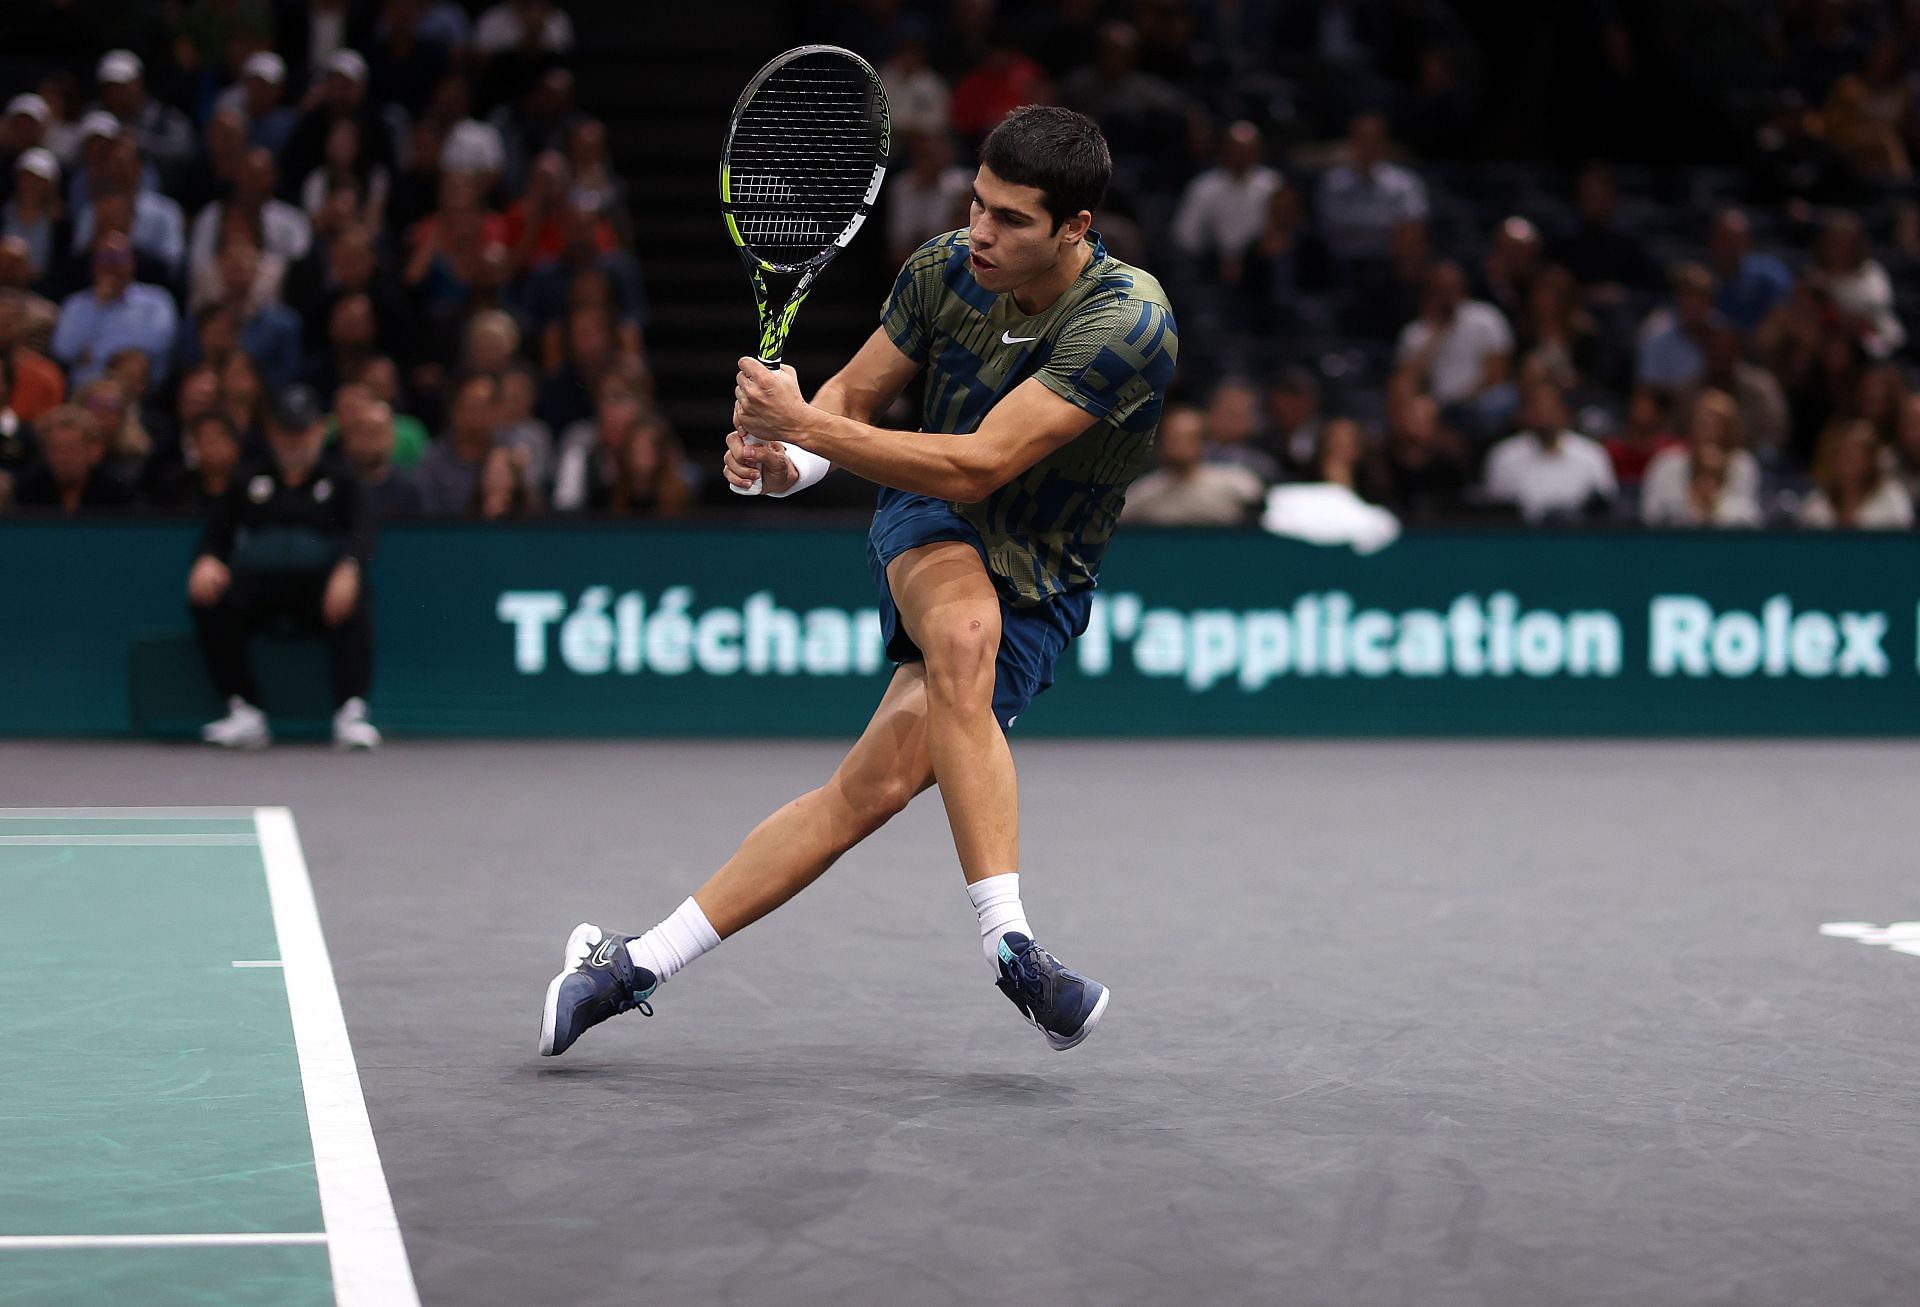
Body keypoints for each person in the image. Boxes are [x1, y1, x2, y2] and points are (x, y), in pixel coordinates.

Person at [539, 106, 1177, 1058]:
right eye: (977, 204)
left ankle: (626, 964)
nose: (981, 232)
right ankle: (1015, 950)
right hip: (931, 525)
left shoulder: (1129, 322)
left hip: (1040, 577)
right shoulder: (940, 270)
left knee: (864, 794)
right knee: (962, 634)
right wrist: (787, 463)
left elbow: (980, 461)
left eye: (1011, 219)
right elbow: (851, 401)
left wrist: (803, 428)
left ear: (1077, 229)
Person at [188, 384, 381, 751]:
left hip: (320, 593)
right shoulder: (248, 478)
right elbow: (217, 533)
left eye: (302, 431)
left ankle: (351, 711)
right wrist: (208, 559)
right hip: (260, 590)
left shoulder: (341, 479)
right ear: (272, 432)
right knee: (210, 598)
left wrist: (350, 567)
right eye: (286, 431)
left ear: (320, 430)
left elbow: (363, 530)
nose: (294, 441)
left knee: (358, 597)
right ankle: (244, 709)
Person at [1482, 378, 1616, 523]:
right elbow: (1494, 513)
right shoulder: (1504, 456)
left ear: (1564, 412)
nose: (1543, 415)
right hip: (1521, 541)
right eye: (1537, 407)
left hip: (1578, 540)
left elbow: (1607, 509)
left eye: (1550, 407)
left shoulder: (1592, 454)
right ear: (1524, 412)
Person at [1122, 402, 1261, 525]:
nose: (1177, 445)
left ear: (1203, 442)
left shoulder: (1238, 484)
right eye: (1172, 438)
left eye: (1187, 438)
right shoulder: (1143, 493)